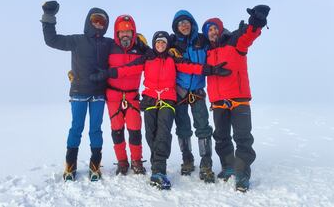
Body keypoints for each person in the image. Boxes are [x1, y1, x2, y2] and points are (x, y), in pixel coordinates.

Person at [91, 31, 230, 189]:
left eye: (164, 43)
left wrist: (211, 70)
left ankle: (159, 170)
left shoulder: (173, 59)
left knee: (163, 132)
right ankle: (156, 161)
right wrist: (107, 73)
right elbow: (127, 69)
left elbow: (191, 67)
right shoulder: (147, 58)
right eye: (158, 42)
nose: (161, 45)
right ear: (154, 43)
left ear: (167, 45)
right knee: (151, 134)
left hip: (167, 99)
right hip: (150, 99)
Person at [40, 0, 113, 182]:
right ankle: (70, 166)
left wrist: (142, 44)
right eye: (95, 19)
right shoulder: (77, 40)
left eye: (102, 22)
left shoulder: (108, 43)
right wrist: (49, 17)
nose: (98, 23)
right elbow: (52, 40)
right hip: (79, 91)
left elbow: (127, 46)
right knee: (76, 128)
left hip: (98, 93)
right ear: (89, 21)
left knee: (95, 130)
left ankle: (95, 166)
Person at [201, 5, 270, 192]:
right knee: (221, 138)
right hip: (218, 103)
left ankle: (242, 174)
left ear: (220, 29)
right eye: (209, 30)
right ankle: (228, 166)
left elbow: (249, 35)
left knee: (243, 138)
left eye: (215, 28)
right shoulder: (206, 52)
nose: (213, 32)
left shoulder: (234, 42)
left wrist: (256, 22)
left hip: (239, 100)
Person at [169, 10, 214, 182]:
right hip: (179, 91)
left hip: (197, 91)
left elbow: (217, 44)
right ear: (176, 27)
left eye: (186, 22)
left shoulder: (202, 40)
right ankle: (187, 158)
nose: (184, 26)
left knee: (203, 126)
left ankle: (206, 162)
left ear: (192, 23)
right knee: (182, 127)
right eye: (180, 24)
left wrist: (225, 35)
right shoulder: (173, 42)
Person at [105, 15, 149, 175]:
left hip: (132, 96)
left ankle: (136, 161)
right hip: (113, 96)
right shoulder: (109, 47)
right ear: (117, 33)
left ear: (133, 33)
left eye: (128, 32)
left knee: (135, 130)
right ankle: (122, 162)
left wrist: (145, 47)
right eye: (122, 32)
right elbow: (94, 62)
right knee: (116, 130)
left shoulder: (140, 48)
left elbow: (153, 60)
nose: (125, 35)